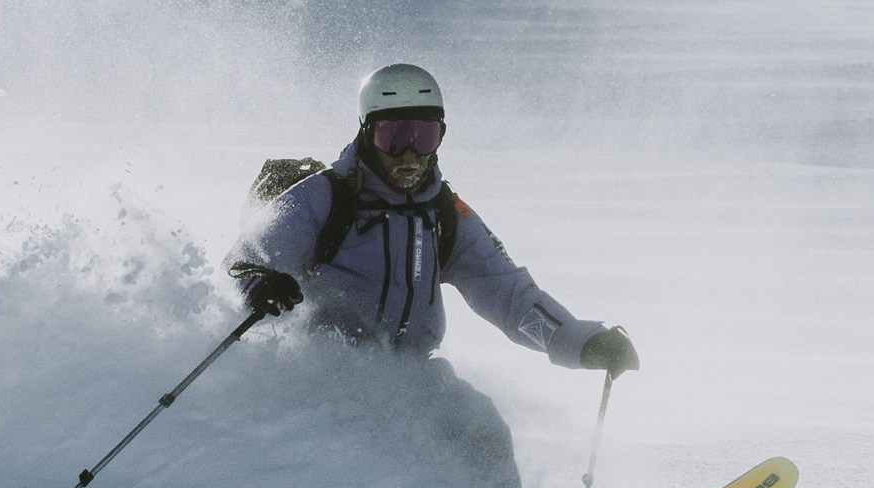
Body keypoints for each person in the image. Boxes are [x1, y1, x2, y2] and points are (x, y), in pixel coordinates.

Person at [227, 61, 639, 375]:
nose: (409, 153)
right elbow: (246, 260)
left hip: (410, 375)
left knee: (485, 443)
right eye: (393, 136)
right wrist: (263, 283)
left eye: (424, 136)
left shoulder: (444, 214)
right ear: (367, 134)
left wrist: (581, 342)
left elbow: (508, 295)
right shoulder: (322, 196)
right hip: (323, 369)